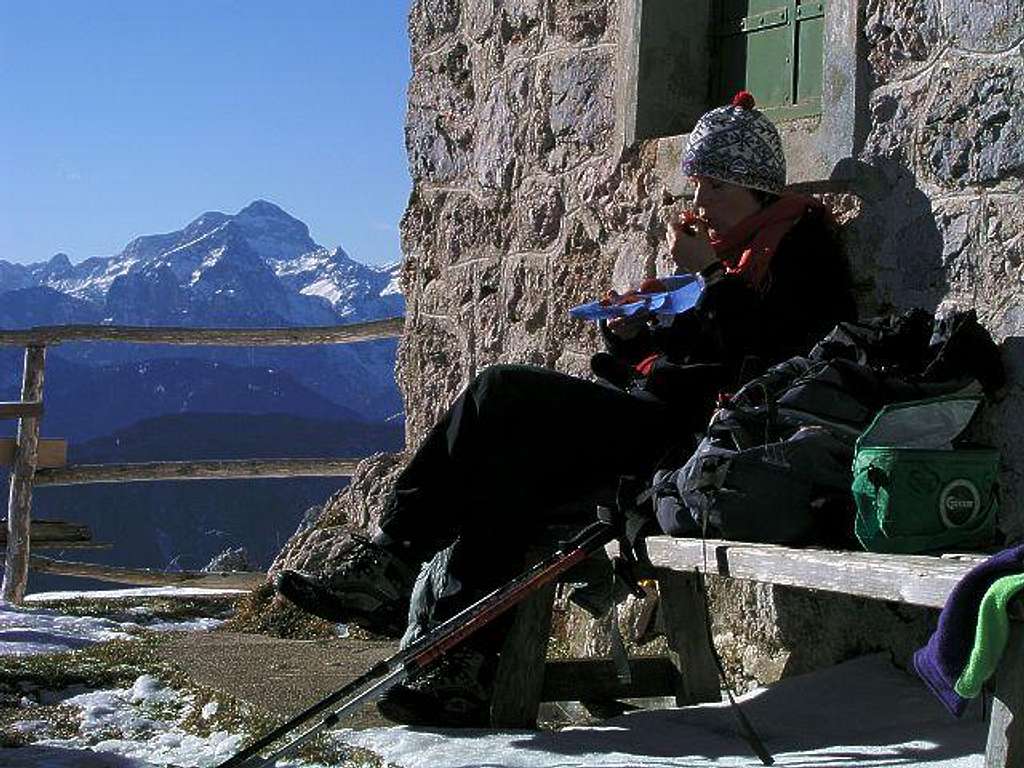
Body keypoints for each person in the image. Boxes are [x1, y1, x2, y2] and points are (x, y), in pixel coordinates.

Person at [274, 91, 857, 726]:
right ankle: (462, 665)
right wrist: (630, 336)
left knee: (500, 392)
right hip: (657, 418)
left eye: (712, 186)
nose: (699, 205)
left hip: (705, 443)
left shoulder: (800, 249)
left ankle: (396, 557)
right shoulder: (736, 255)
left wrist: (711, 282)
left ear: (755, 187)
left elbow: (774, 355)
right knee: (512, 471)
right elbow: (692, 349)